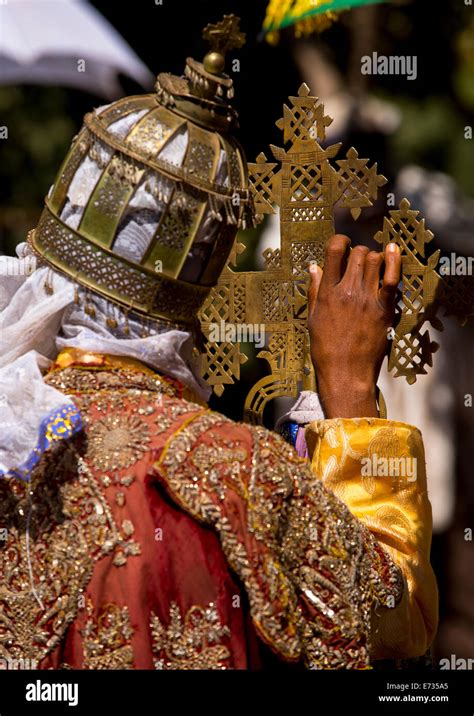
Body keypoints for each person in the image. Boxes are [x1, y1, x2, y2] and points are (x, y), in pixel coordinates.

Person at [0, 15, 437, 670]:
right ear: (201, 291)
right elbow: (389, 620)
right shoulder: (244, 473)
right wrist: (348, 394)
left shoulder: (12, 436)